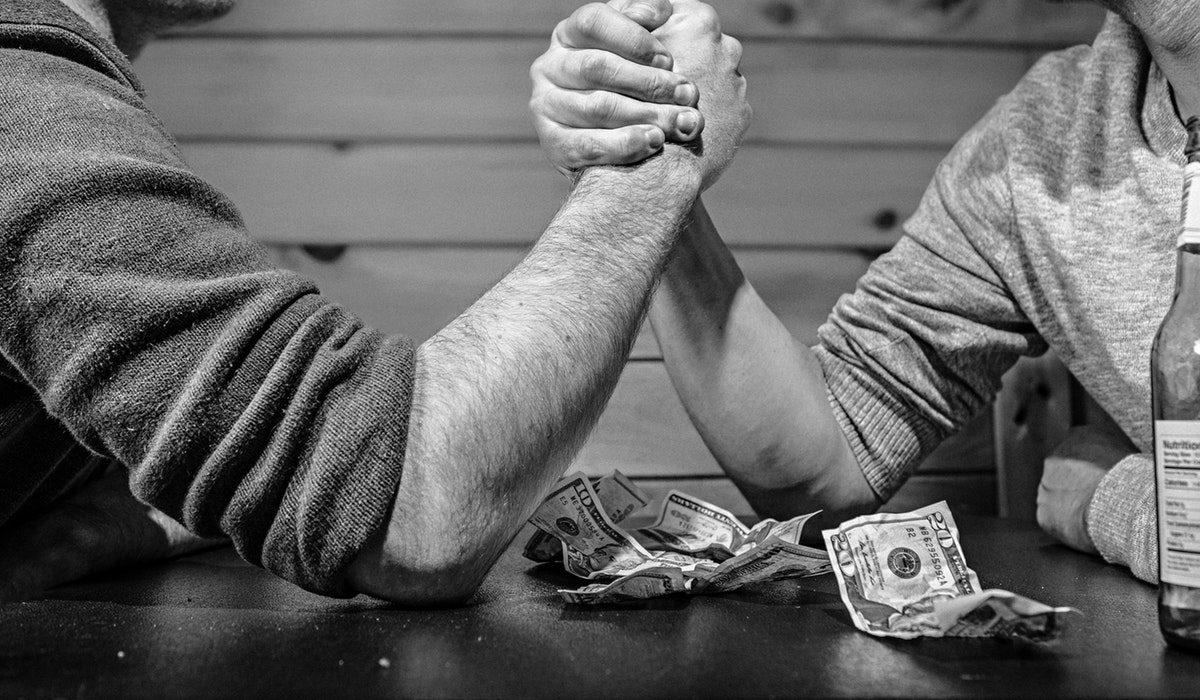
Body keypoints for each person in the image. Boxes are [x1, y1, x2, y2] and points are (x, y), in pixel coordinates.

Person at [0, 0, 749, 604]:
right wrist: (660, 151)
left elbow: (215, 440)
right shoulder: (27, 108)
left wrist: (99, 521)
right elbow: (409, 515)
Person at [529, 0, 1196, 585]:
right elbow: (831, 462)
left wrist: (1111, 503)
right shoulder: (1045, 141)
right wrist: (643, 151)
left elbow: (1125, 507)